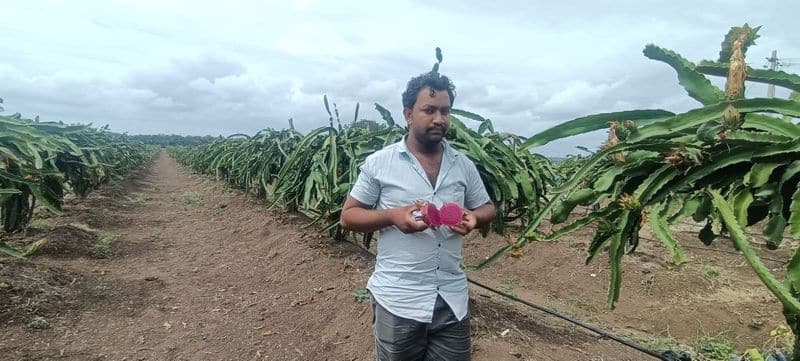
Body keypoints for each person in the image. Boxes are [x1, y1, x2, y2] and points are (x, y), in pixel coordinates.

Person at [339, 71, 496, 361]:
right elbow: (348, 216)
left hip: (452, 298)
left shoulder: (463, 165)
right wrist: (393, 216)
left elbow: (487, 207)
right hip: (399, 299)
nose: (439, 118)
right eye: (429, 110)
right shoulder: (380, 163)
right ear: (408, 114)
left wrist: (474, 217)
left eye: (445, 111)